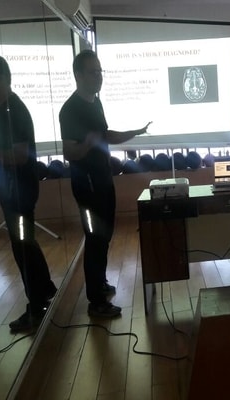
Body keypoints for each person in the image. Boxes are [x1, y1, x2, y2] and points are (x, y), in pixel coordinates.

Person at [0, 53, 57, 332]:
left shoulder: (13, 111)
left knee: (23, 249)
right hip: (17, 192)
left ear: (2, 77)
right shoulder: (6, 110)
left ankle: (37, 308)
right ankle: (47, 291)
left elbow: (17, 155)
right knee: (26, 244)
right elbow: (5, 145)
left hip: (19, 193)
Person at [59, 50, 151, 318]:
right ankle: (96, 302)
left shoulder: (95, 103)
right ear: (78, 75)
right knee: (94, 238)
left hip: (103, 180)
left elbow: (106, 135)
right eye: (93, 72)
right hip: (86, 187)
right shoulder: (70, 110)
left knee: (105, 235)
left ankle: (99, 282)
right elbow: (69, 152)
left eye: (100, 71)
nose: (99, 77)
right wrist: (87, 144)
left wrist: (135, 132)